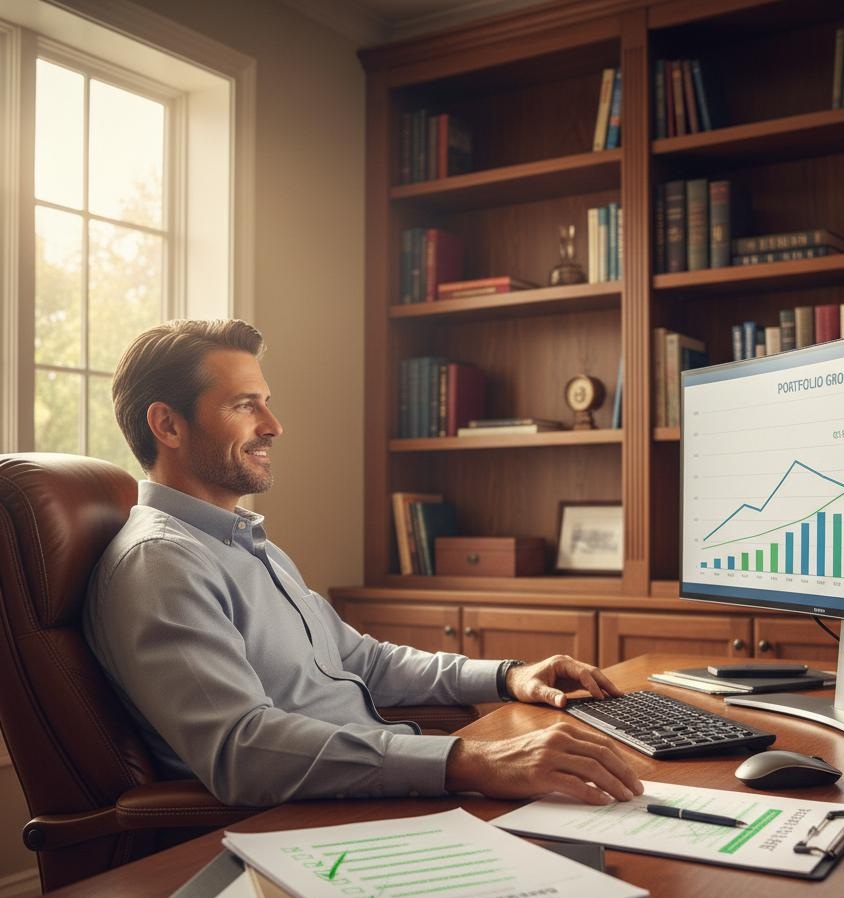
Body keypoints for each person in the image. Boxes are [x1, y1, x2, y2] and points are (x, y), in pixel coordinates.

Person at [84, 319, 643, 809]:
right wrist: (468, 762)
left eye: (266, 401)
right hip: (297, 824)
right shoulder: (161, 562)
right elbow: (242, 749)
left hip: (374, 790)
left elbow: (363, 661)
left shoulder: (246, 545)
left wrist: (507, 675)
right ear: (168, 426)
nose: (274, 426)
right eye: (243, 405)